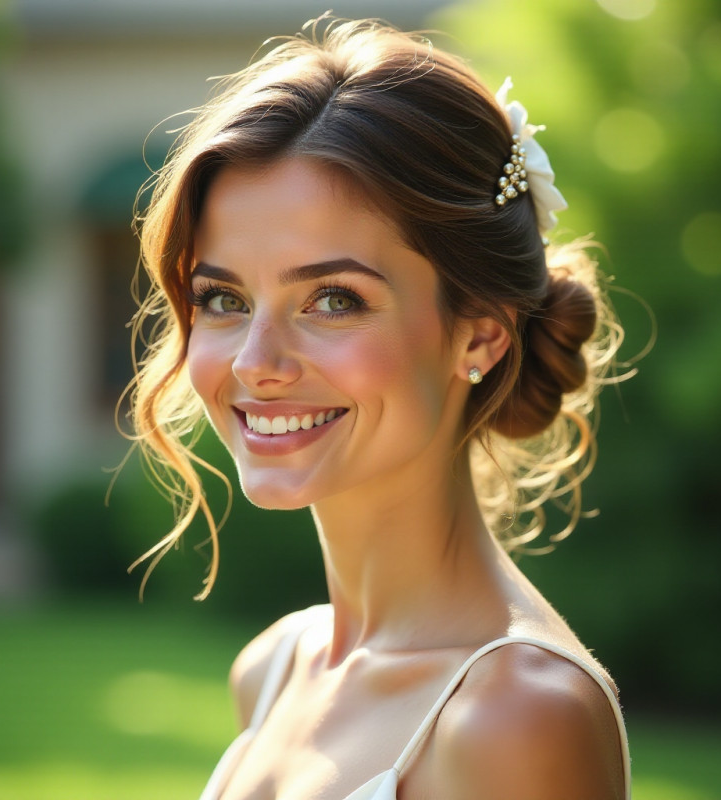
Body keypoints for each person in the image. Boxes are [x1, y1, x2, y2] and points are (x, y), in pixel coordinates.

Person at [125, 16, 632, 800]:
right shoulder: (272, 668)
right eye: (223, 298)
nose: (256, 363)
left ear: (481, 336)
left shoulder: (519, 716)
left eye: (332, 299)